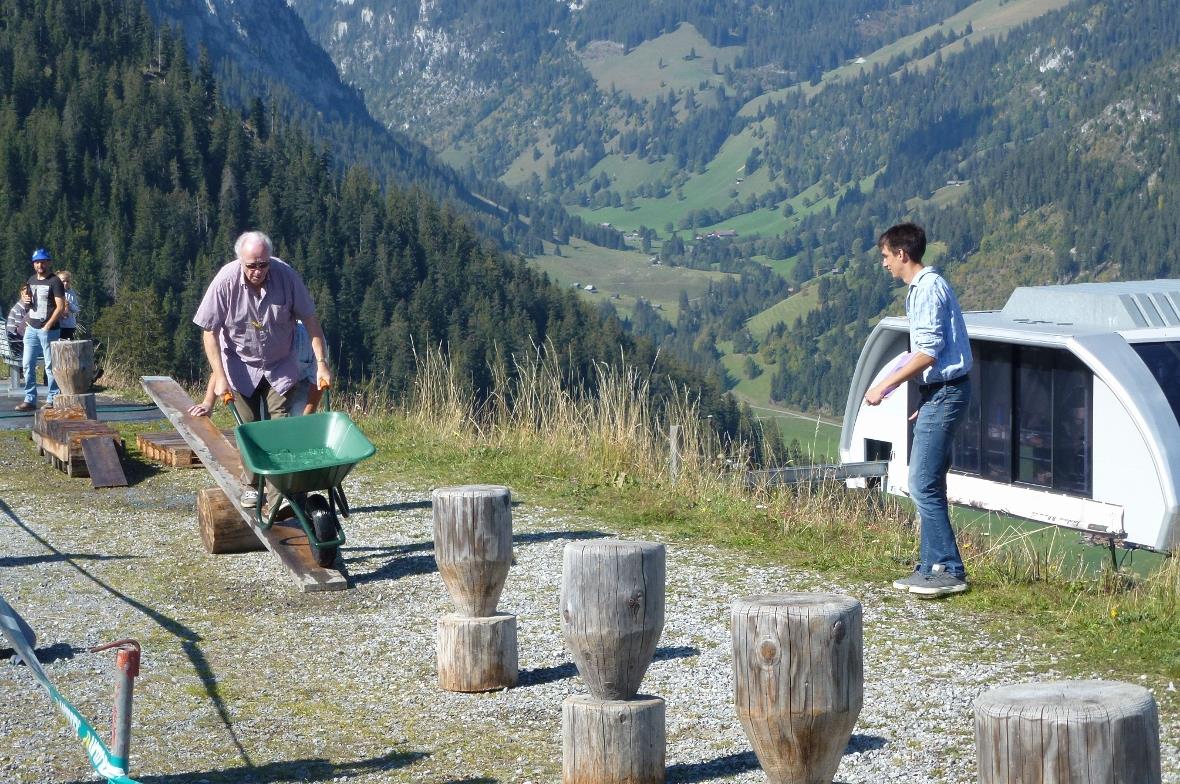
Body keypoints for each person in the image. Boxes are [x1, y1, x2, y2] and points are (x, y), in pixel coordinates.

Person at [863, 222, 973, 598]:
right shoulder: (926, 287)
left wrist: (885, 386)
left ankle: (948, 569)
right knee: (930, 482)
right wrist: (924, 396)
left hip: (945, 392)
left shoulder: (926, 290)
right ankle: (930, 567)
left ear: (901, 254)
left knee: (920, 483)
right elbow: (924, 353)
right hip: (941, 393)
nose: (884, 264)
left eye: (885, 256)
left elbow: (927, 352)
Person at [192, 231, 330, 504]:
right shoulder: (225, 281)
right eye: (251, 265)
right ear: (240, 261)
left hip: (280, 365)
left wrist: (322, 364)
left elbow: (311, 321)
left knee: (280, 429)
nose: (257, 271)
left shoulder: (286, 277)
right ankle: (253, 486)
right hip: (241, 365)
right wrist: (219, 378)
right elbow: (210, 332)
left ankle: (282, 494)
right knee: (249, 428)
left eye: (263, 264)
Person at [16, 248, 66, 412]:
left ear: (48, 263)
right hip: (31, 327)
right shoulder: (31, 280)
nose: (40, 265)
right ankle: (30, 399)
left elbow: (60, 306)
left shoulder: (55, 281)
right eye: (37, 262)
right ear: (34, 264)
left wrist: (48, 325)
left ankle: (52, 398)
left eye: (43, 261)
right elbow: (27, 301)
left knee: (50, 366)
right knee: (27, 364)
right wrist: (24, 298)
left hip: (49, 330)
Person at [55, 270, 81, 340]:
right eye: (63, 281)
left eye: (67, 281)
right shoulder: (54, 293)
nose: (65, 283)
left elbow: (77, 309)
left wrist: (69, 304)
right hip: (58, 325)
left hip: (70, 325)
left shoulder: (72, 293)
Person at [6, 288, 28, 366]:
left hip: (13, 342)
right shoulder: (20, 309)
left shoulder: (20, 305)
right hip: (16, 344)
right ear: (22, 294)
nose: (29, 296)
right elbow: (20, 331)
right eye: (26, 294)